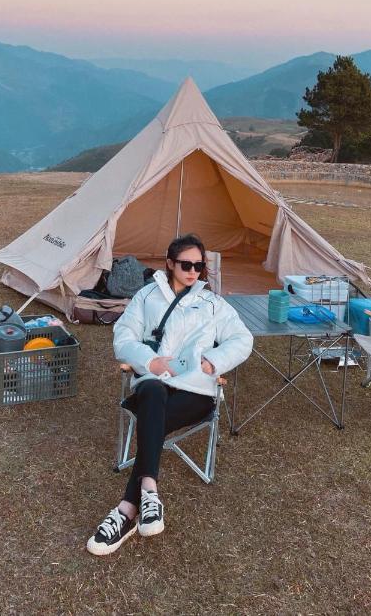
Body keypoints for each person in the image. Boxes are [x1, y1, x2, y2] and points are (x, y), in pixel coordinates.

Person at [86, 233, 254, 556]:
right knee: (150, 389)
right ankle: (146, 495)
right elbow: (123, 336)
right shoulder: (147, 297)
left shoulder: (212, 305)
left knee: (152, 419)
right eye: (186, 264)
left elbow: (242, 339)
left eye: (199, 266)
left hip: (196, 391)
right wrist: (150, 361)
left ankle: (127, 508)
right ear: (169, 264)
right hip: (154, 385)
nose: (193, 271)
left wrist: (215, 361)